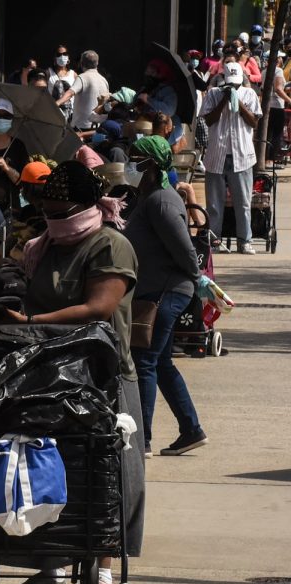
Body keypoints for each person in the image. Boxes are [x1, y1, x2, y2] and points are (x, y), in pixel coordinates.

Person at [0, 160, 144, 584]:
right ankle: (52, 565)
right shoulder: (45, 246)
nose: (55, 219)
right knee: (51, 470)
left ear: (86, 206)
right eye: (49, 210)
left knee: (107, 471)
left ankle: (103, 569)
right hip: (50, 376)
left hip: (103, 377)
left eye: (63, 211)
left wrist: (33, 322)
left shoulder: (110, 245)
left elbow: (100, 306)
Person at [120, 136, 205, 456]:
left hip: (166, 291)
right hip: (157, 289)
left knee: (145, 362)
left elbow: (184, 248)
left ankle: (143, 440)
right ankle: (191, 429)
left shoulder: (161, 201)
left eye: (136, 160)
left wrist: (198, 281)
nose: (130, 165)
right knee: (161, 363)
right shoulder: (150, 198)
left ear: (152, 166)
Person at [201, 62, 265, 254]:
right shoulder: (213, 94)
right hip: (217, 155)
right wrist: (224, 100)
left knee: (243, 202)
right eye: (230, 84)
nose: (233, 87)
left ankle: (245, 241)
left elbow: (254, 122)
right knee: (214, 203)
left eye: (236, 84)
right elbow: (209, 120)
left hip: (242, 156)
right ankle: (215, 241)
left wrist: (238, 101)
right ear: (223, 80)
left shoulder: (250, 94)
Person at [71, 50, 113, 130]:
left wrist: (57, 103)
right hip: (98, 129)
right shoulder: (104, 80)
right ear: (97, 63)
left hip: (80, 128)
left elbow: (70, 93)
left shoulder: (82, 77)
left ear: (81, 63)